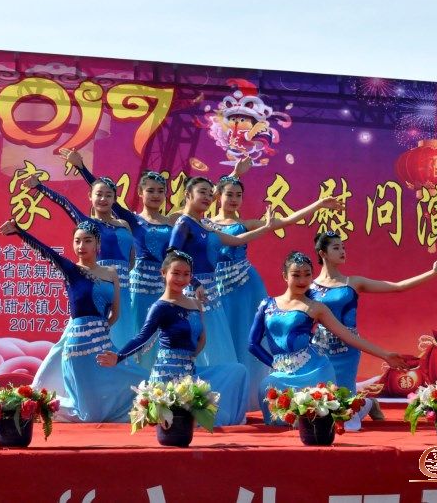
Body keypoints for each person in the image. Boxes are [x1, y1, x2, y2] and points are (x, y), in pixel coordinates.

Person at [60, 150, 250, 366]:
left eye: (161, 191)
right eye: (150, 190)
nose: (156, 195)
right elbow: (103, 193)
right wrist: (81, 168)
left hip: (164, 290)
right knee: (137, 336)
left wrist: (235, 174)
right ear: (140, 193)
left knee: (164, 340)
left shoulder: (174, 221)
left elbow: (204, 196)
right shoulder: (132, 220)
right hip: (138, 291)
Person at [211, 174, 345, 410]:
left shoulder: (247, 225)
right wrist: (235, 173)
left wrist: (318, 204)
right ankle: (220, 398)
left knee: (244, 339)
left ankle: (247, 399)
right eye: (229, 194)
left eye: (238, 195)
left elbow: (286, 221)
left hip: (244, 287)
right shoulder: (203, 224)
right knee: (220, 341)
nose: (233, 199)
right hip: (215, 288)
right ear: (218, 195)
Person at [0, 219, 146, 422]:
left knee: (140, 380)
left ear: (98, 244)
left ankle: (37, 403)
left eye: (87, 240)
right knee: (88, 415)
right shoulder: (71, 271)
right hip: (78, 349)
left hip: (103, 347)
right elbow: (46, 251)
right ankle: (35, 404)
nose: (81, 246)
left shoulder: (111, 273)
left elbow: (115, 314)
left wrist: (99, 331)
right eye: (77, 241)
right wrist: (20, 232)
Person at [309, 231, 437, 430]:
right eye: (336, 248)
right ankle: (366, 404)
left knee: (346, 421)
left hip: (347, 350)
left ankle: (366, 404)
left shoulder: (353, 283)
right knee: (322, 406)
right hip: (319, 350)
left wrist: (433, 273)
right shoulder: (310, 288)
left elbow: (397, 287)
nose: (342, 251)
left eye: (343, 247)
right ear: (322, 253)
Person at [248, 251, 412, 424]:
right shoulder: (267, 305)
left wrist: (385, 354)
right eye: (296, 275)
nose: (302, 280)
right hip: (280, 375)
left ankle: (365, 404)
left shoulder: (316, 308)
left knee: (325, 421)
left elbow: (347, 336)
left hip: (314, 373)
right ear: (285, 276)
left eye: (307, 275)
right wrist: (275, 364)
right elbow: (253, 344)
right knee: (272, 400)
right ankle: (363, 404)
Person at [97, 249, 248, 426]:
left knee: (238, 371)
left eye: (186, 274)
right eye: (175, 273)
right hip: (166, 376)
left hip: (189, 373)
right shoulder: (160, 307)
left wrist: (188, 360)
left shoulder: (196, 304)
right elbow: (142, 337)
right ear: (163, 273)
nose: (181, 279)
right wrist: (119, 356)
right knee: (176, 423)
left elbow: (201, 339)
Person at [168, 176, 275, 366]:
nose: (207, 197)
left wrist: (267, 227)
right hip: (195, 292)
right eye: (202, 192)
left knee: (218, 346)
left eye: (210, 194)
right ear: (188, 194)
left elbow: (238, 240)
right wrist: (193, 282)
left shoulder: (202, 226)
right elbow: (173, 255)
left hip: (211, 292)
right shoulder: (184, 223)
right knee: (201, 344)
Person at [22, 173, 136, 348]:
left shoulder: (124, 225)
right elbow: (64, 202)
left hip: (123, 289)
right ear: (90, 196)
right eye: (99, 194)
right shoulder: (88, 223)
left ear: (115, 199)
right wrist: (39, 186)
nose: (103, 199)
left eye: (108, 195)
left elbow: (131, 259)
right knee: (85, 338)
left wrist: (119, 277)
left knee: (123, 340)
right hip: (98, 285)